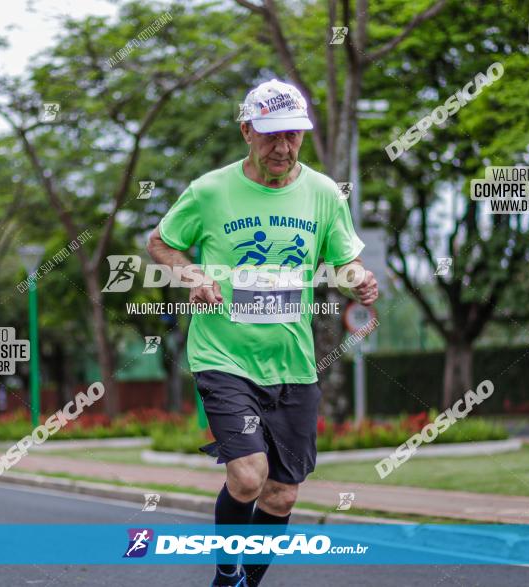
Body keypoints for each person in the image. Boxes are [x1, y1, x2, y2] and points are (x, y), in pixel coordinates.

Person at [147, 79, 378, 587]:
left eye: (293, 135)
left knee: (282, 495)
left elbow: (344, 258)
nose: (283, 147)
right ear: (247, 130)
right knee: (248, 476)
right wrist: (193, 274)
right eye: (272, 134)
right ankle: (226, 573)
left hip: (293, 363)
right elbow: (161, 244)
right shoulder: (209, 190)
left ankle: (245, 583)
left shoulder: (321, 192)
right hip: (223, 355)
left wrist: (358, 278)